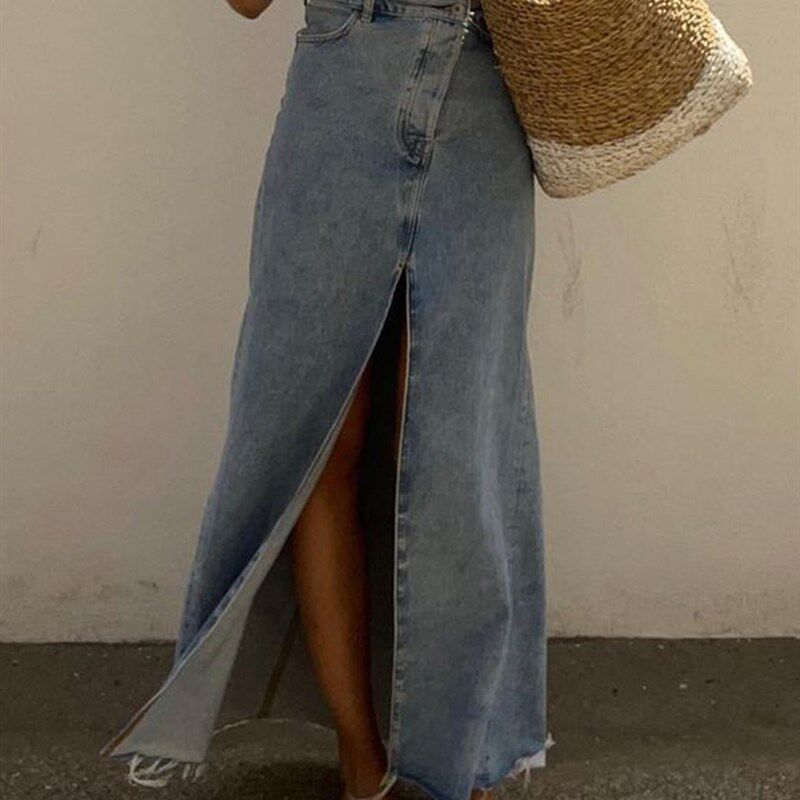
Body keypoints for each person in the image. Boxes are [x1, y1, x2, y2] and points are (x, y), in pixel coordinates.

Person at [100, 1, 553, 798]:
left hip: (484, 93)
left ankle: (460, 762)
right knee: (315, 439)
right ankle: (359, 757)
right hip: (343, 88)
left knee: (457, 450)